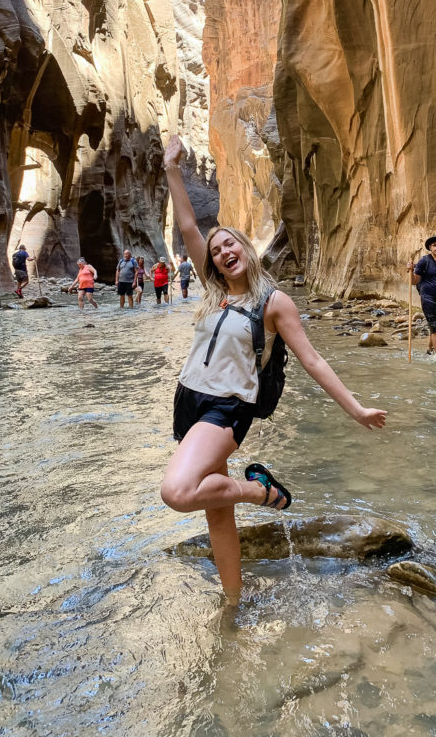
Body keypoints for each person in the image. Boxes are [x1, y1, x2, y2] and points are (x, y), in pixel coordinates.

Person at [159, 134, 387, 603]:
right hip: (188, 400)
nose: (223, 251)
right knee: (215, 513)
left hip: (226, 408)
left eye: (230, 243)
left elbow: (313, 359)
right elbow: (187, 226)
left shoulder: (273, 302)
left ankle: (260, 491)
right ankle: (233, 603)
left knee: (178, 492)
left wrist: (357, 410)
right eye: (217, 249)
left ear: (246, 247)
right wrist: (171, 169)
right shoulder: (214, 290)